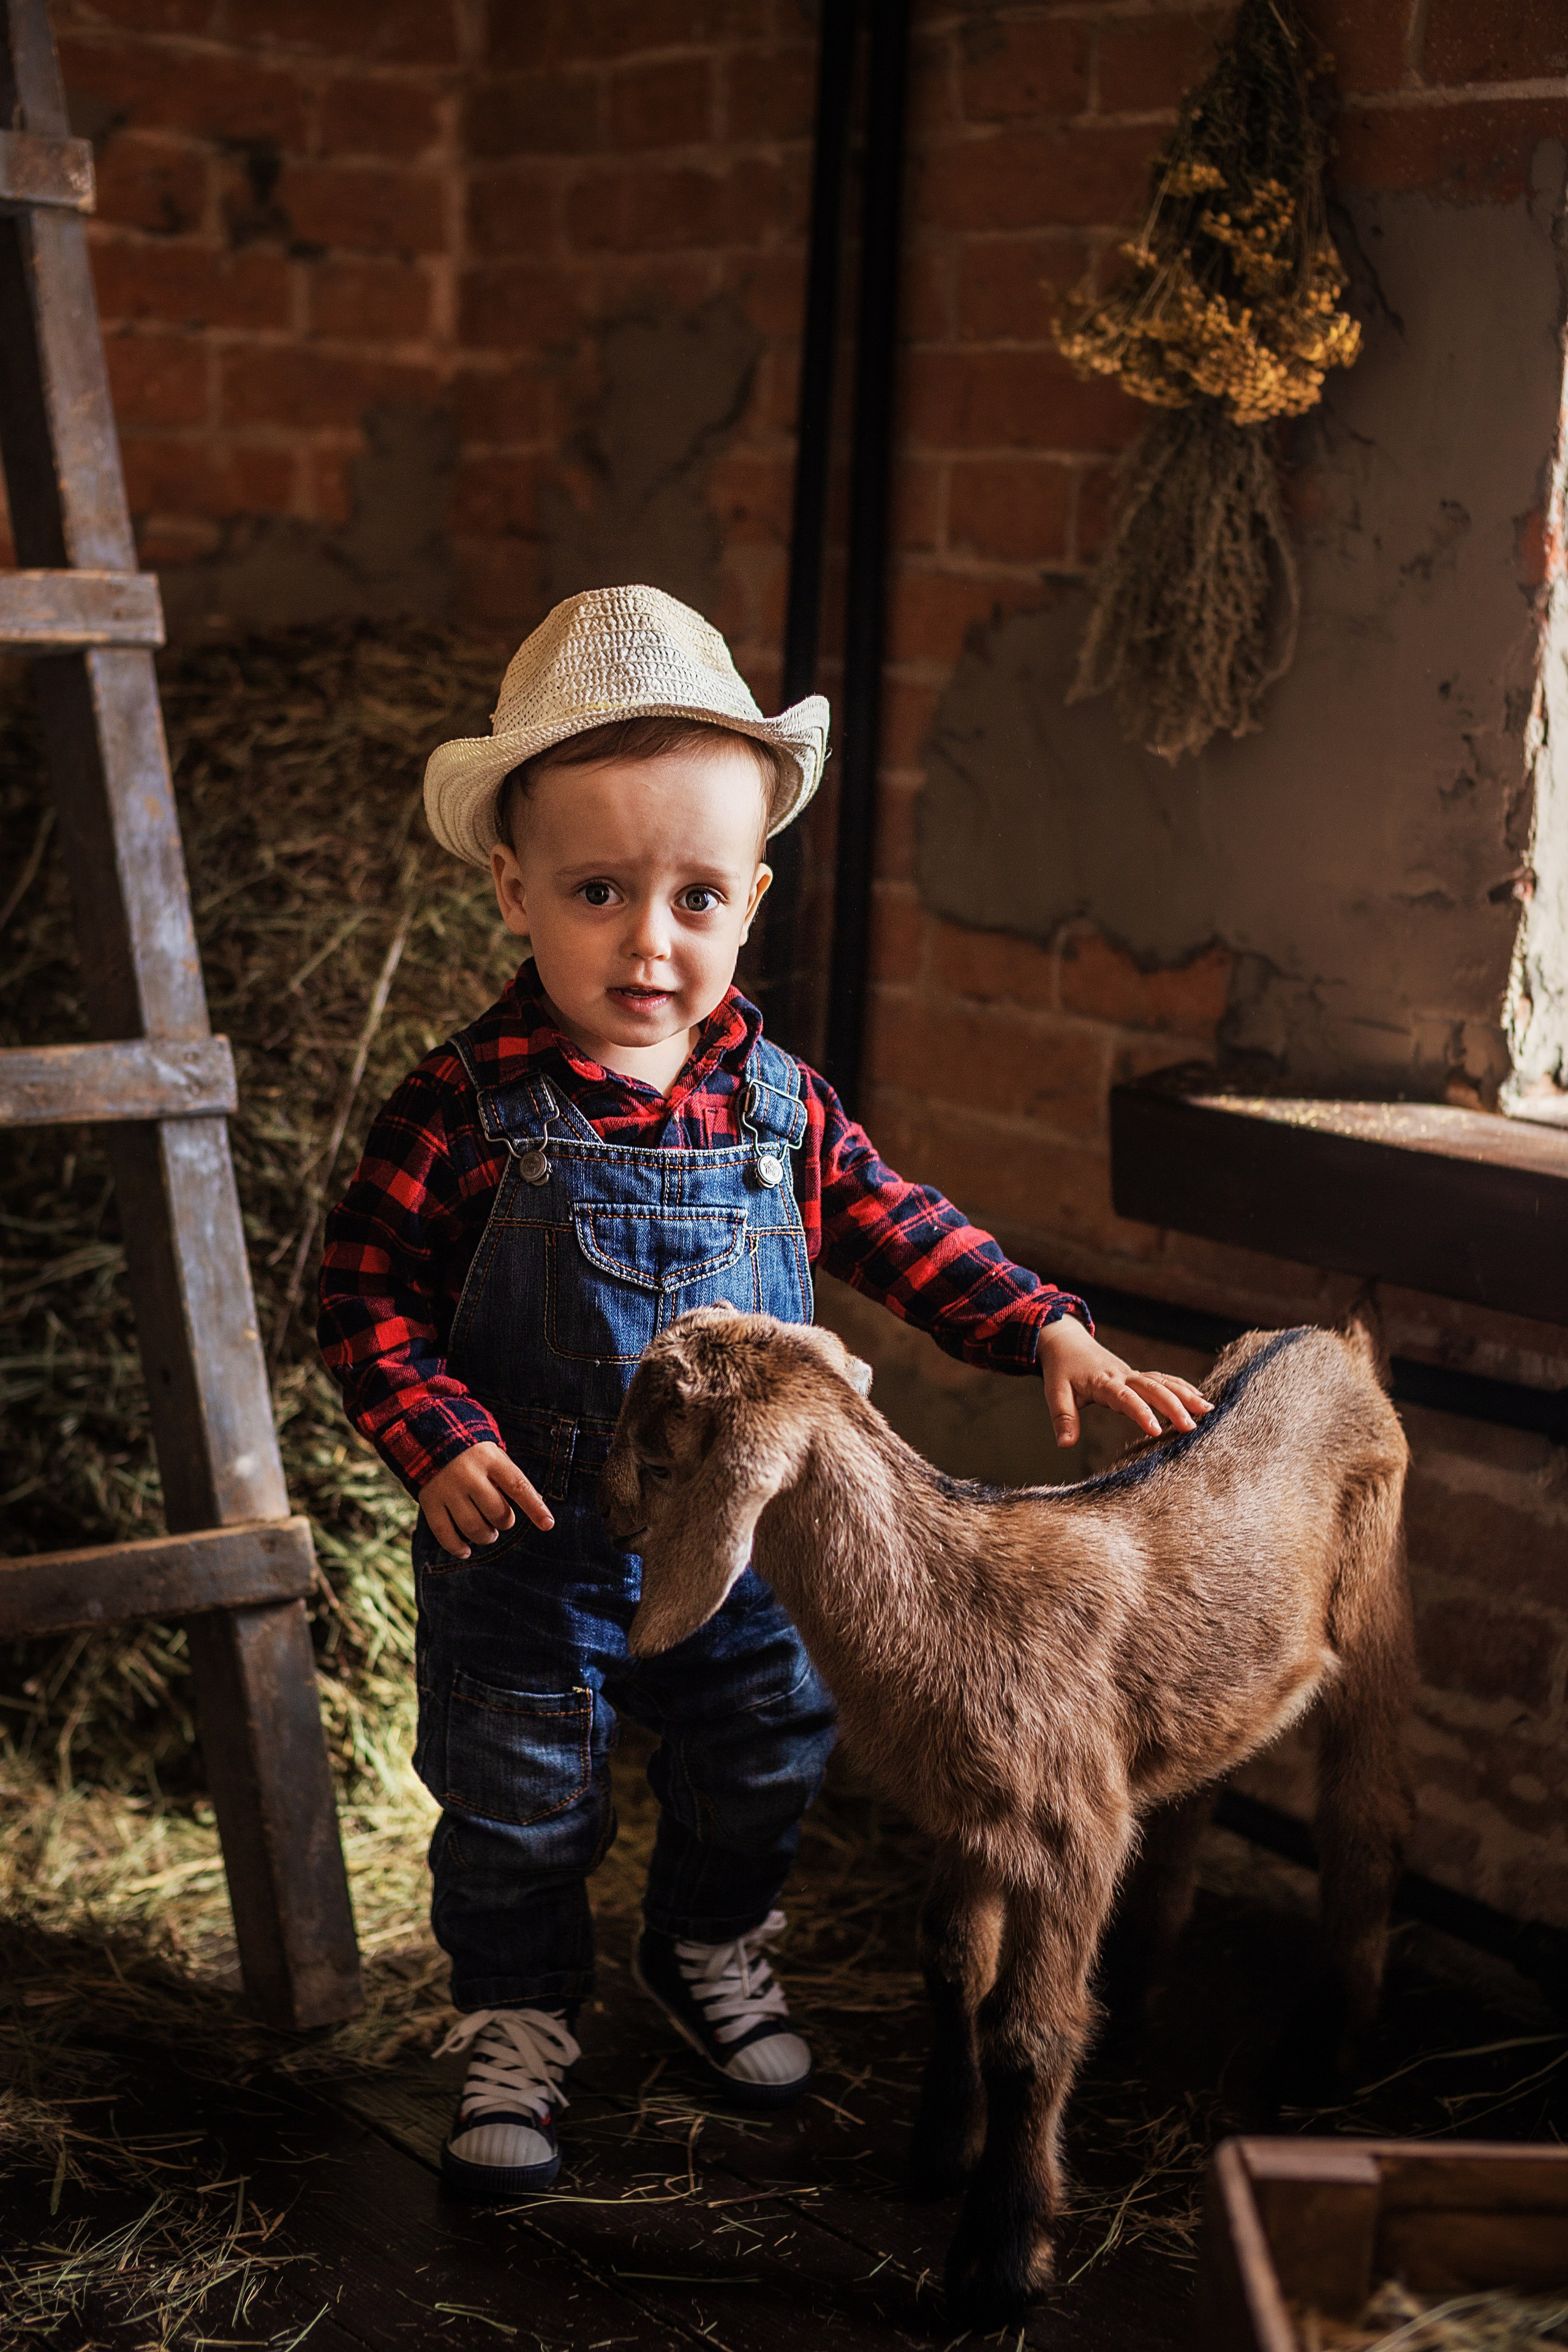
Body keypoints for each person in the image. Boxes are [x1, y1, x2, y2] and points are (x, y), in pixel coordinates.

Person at [318, 584, 1210, 2202]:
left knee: (766, 1756)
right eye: (599, 892)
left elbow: (911, 1235)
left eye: (696, 898)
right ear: (513, 890)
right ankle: (518, 2017)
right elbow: (359, 1302)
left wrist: (1051, 1332)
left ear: (754, 900)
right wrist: (435, 1436)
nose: (650, 941)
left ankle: (711, 1945)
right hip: (537, 1554)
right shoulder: (462, 1107)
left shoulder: (784, 1107)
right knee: (521, 1801)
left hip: (763, 1555)